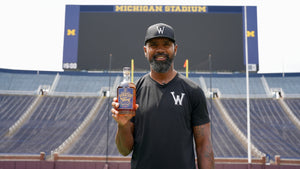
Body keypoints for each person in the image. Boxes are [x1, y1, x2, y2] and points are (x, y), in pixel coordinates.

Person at [111, 23, 214, 169]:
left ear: (175, 49)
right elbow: (124, 150)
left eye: (166, 44)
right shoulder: (134, 92)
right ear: (145, 50)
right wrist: (122, 125)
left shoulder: (193, 91)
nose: (160, 50)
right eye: (153, 45)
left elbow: (204, 146)